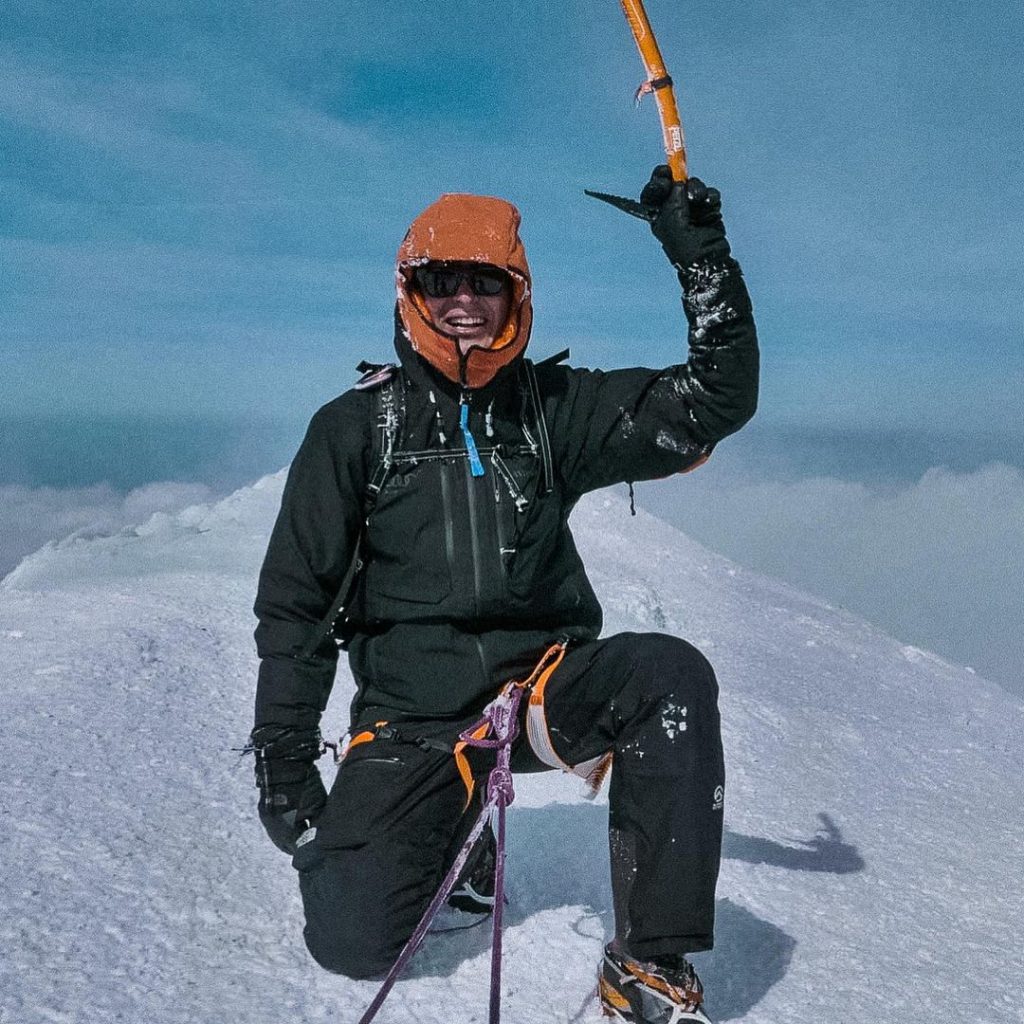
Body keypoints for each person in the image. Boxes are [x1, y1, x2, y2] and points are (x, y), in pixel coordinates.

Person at [249, 165, 759, 1024]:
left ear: (516, 293)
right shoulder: (353, 430)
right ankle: (462, 839)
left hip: (538, 691)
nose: (464, 301)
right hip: (413, 719)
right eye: (440, 280)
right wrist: (283, 758)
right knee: (350, 939)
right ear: (409, 289)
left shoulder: (553, 409)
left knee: (668, 678)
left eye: (487, 281)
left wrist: (700, 257)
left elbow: (713, 401)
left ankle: (652, 960)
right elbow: (297, 606)